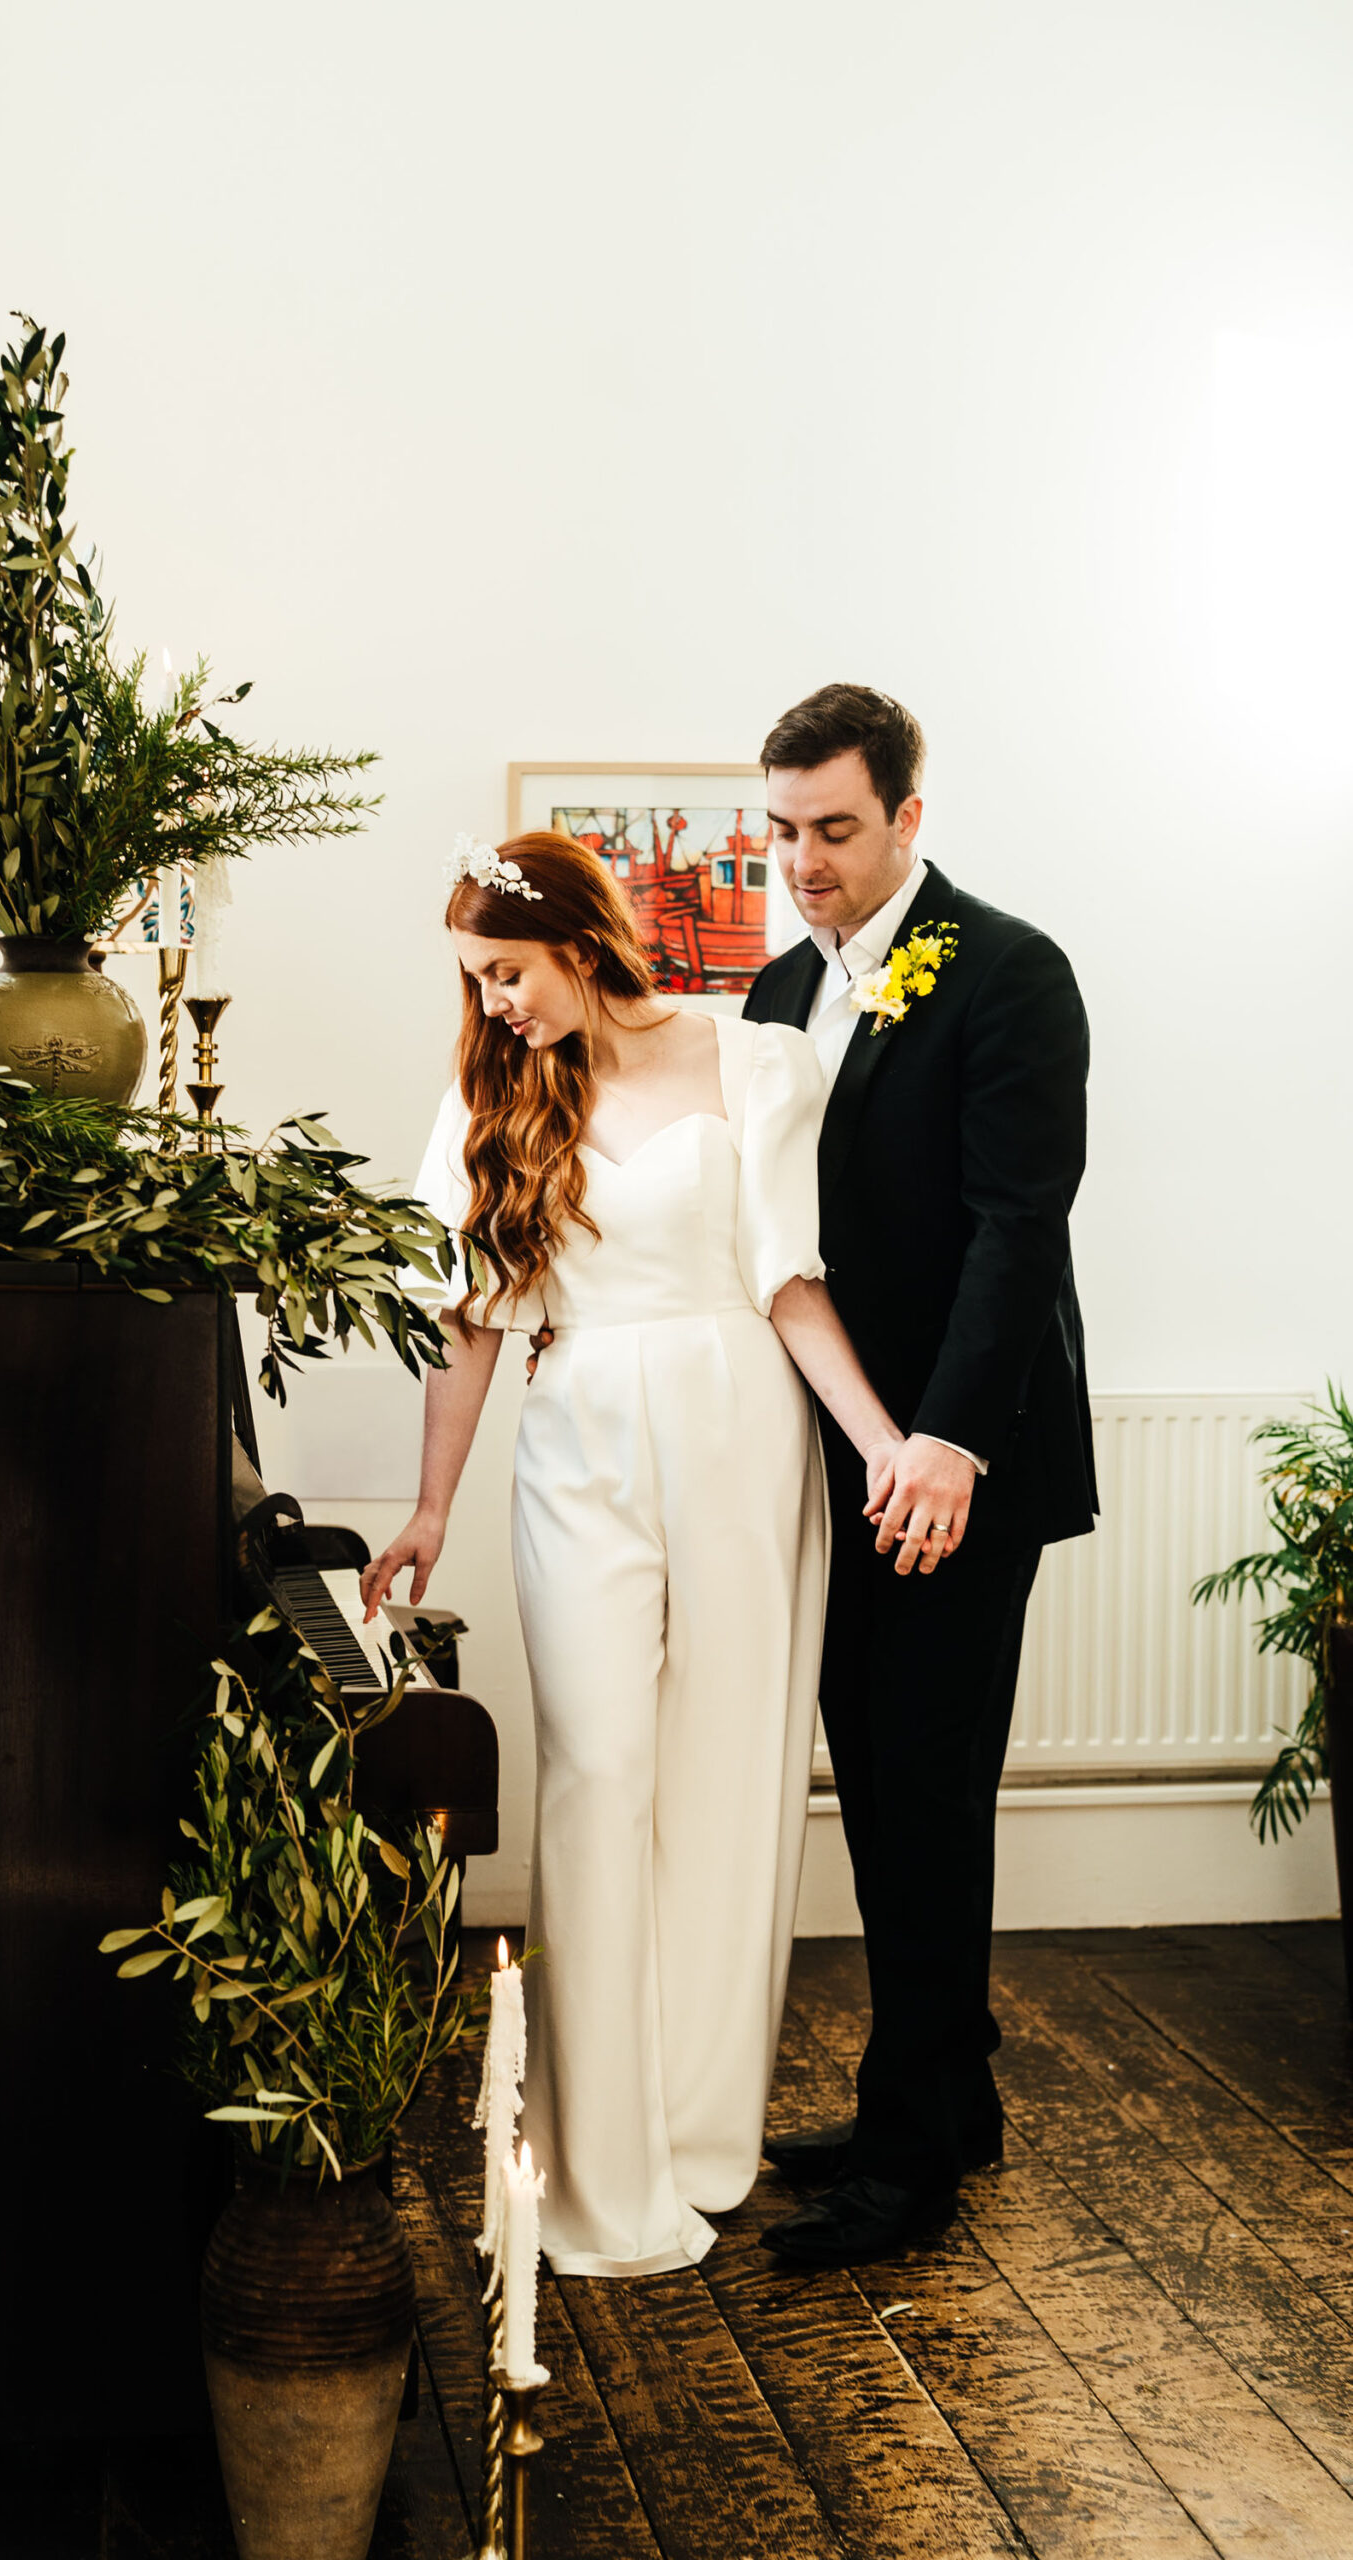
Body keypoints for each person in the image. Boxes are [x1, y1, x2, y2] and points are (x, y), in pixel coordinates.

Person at [360, 830, 903, 2277]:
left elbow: (788, 1281)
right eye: (476, 982)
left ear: (583, 945)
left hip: (740, 1430)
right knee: (596, 1777)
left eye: (508, 974)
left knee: (727, 1781)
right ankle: (600, 2175)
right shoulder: (490, 1096)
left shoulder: (757, 1062)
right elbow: (470, 1322)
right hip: (580, 1437)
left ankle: (702, 2136)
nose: (492, 1007)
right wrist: (427, 1509)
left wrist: (882, 1443)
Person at [743, 683, 1096, 2267]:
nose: (805, 863)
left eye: (835, 829)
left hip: (967, 1457)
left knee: (931, 1793)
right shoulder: (767, 996)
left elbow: (1018, 1232)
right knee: (875, 1788)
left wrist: (944, 1441)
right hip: (836, 1457)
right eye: (785, 831)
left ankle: (912, 2164)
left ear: (906, 817)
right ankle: (946, 2099)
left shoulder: (1012, 974)